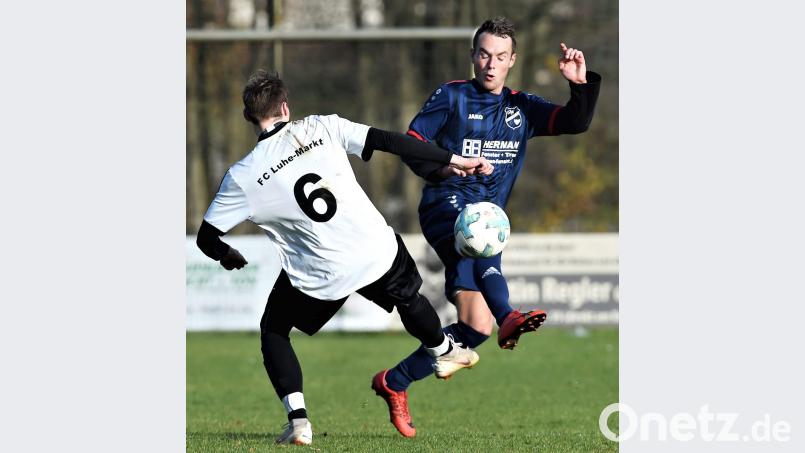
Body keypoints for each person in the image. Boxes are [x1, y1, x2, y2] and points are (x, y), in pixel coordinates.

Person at [196, 70, 493, 445]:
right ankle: (444, 349)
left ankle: (299, 421)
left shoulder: (242, 175)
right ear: (286, 107)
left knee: (274, 331)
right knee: (408, 299)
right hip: (373, 250)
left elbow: (207, 237)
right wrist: (453, 159)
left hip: (321, 273)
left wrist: (228, 255)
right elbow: (390, 141)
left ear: (249, 117)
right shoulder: (323, 127)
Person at [371, 17, 601, 437]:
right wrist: (447, 169)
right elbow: (412, 146)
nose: (490, 64)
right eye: (483, 54)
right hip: (445, 204)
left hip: (482, 224)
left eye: (499, 56)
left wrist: (579, 85)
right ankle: (509, 314)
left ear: (512, 60)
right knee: (482, 224)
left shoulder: (521, 108)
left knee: (475, 329)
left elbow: (575, 122)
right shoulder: (452, 96)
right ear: (473, 56)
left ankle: (394, 381)